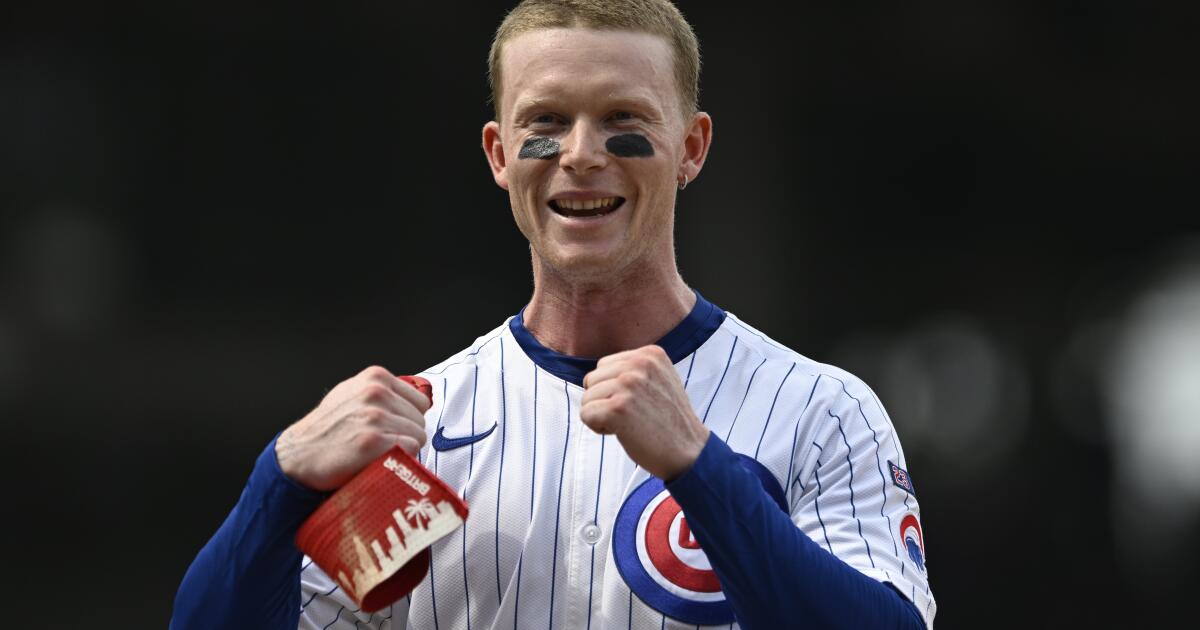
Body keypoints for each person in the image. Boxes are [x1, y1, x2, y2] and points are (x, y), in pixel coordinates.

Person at [171, 0, 936, 628]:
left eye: (621, 116)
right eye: (546, 122)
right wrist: (278, 483)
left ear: (692, 147)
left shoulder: (819, 411)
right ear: (499, 154)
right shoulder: (419, 432)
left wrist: (702, 471)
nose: (581, 153)